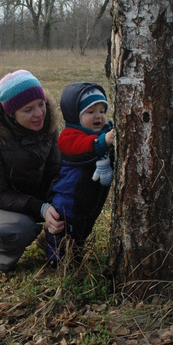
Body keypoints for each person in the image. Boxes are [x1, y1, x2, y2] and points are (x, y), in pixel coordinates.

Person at [0, 70, 65, 273]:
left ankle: (47, 237)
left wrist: (59, 205)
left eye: (41, 104)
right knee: (20, 227)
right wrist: (41, 208)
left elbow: (55, 170)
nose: (39, 113)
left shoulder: (48, 126)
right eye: (28, 109)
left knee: (70, 203)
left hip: (33, 196)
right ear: (10, 113)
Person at [44, 81, 114, 266]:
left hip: (88, 199)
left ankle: (74, 253)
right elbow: (82, 148)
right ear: (76, 116)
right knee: (63, 229)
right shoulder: (69, 136)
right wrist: (102, 142)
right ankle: (57, 260)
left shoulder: (102, 133)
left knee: (82, 229)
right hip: (68, 199)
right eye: (90, 112)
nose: (98, 116)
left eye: (102, 110)